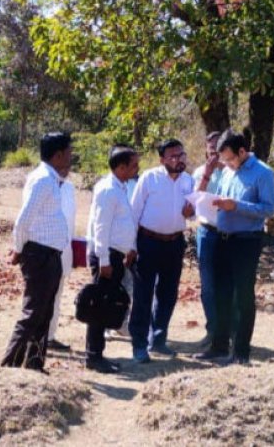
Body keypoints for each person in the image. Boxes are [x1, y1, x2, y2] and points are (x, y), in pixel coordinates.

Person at [197, 129, 274, 365]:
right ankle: (219, 345)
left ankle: (241, 352)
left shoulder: (263, 173)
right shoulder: (228, 172)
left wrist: (237, 206)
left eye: (230, 158)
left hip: (246, 241)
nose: (227, 164)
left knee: (242, 296)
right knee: (220, 294)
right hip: (222, 239)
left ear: (243, 152)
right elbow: (223, 199)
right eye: (224, 159)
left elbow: (268, 209)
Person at [2, 132, 72, 371]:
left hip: (51, 255)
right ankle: (8, 367)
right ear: (59, 154)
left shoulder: (51, 179)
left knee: (45, 312)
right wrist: (18, 249)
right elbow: (23, 220)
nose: (71, 157)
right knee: (33, 313)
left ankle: (34, 365)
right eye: (69, 152)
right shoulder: (43, 179)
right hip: (39, 255)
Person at [129, 139, 195, 363]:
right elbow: (134, 212)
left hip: (175, 243)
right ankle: (139, 344)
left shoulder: (188, 181)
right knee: (143, 294)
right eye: (173, 156)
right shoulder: (150, 178)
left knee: (168, 294)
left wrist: (190, 211)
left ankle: (158, 339)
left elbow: (194, 213)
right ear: (162, 160)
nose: (179, 159)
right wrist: (131, 246)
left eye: (181, 154)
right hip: (148, 242)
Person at [85, 145, 139, 373]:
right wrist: (104, 260)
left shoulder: (120, 187)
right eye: (134, 165)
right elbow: (101, 227)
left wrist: (130, 248)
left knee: (106, 305)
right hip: (106, 256)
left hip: (116, 255)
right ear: (121, 167)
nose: (137, 169)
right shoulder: (108, 189)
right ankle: (93, 356)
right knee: (99, 306)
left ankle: (98, 354)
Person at [191, 131, 225, 349]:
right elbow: (195, 200)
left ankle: (228, 331)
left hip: (230, 233)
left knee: (228, 284)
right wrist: (208, 173)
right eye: (210, 148)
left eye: (218, 148)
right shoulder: (199, 173)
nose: (213, 152)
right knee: (208, 286)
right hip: (207, 232)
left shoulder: (234, 172)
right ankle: (212, 330)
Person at [47, 178, 75, 351]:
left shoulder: (69, 187)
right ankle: (34, 340)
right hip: (44, 252)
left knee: (56, 296)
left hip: (63, 251)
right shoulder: (41, 181)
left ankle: (49, 336)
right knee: (40, 299)